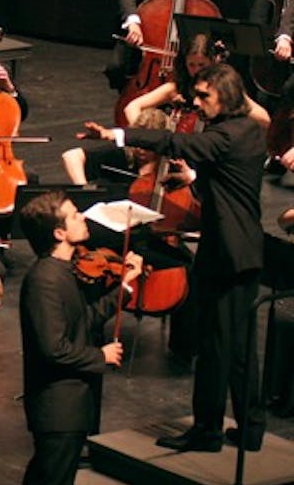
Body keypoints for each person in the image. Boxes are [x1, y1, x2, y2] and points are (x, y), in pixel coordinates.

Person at [79, 62, 267, 452]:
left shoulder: (223, 135)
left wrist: (118, 134)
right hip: (247, 249)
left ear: (227, 97)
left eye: (204, 96)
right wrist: (195, 180)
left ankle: (208, 431)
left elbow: (175, 143)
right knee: (242, 347)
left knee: (216, 346)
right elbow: (228, 174)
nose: (196, 104)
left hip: (226, 254)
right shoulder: (249, 131)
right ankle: (251, 427)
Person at [17, 192, 143, 485]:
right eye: (75, 215)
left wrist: (124, 286)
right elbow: (53, 348)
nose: (83, 217)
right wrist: (102, 356)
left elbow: (84, 319)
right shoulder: (44, 280)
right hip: (57, 408)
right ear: (59, 233)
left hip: (70, 407)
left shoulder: (62, 271)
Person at [121, 33, 269, 131]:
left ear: (212, 62)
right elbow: (132, 107)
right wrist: (143, 138)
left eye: (202, 65)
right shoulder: (175, 87)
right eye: (191, 65)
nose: (196, 70)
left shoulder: (225, 89)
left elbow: (264, 119)